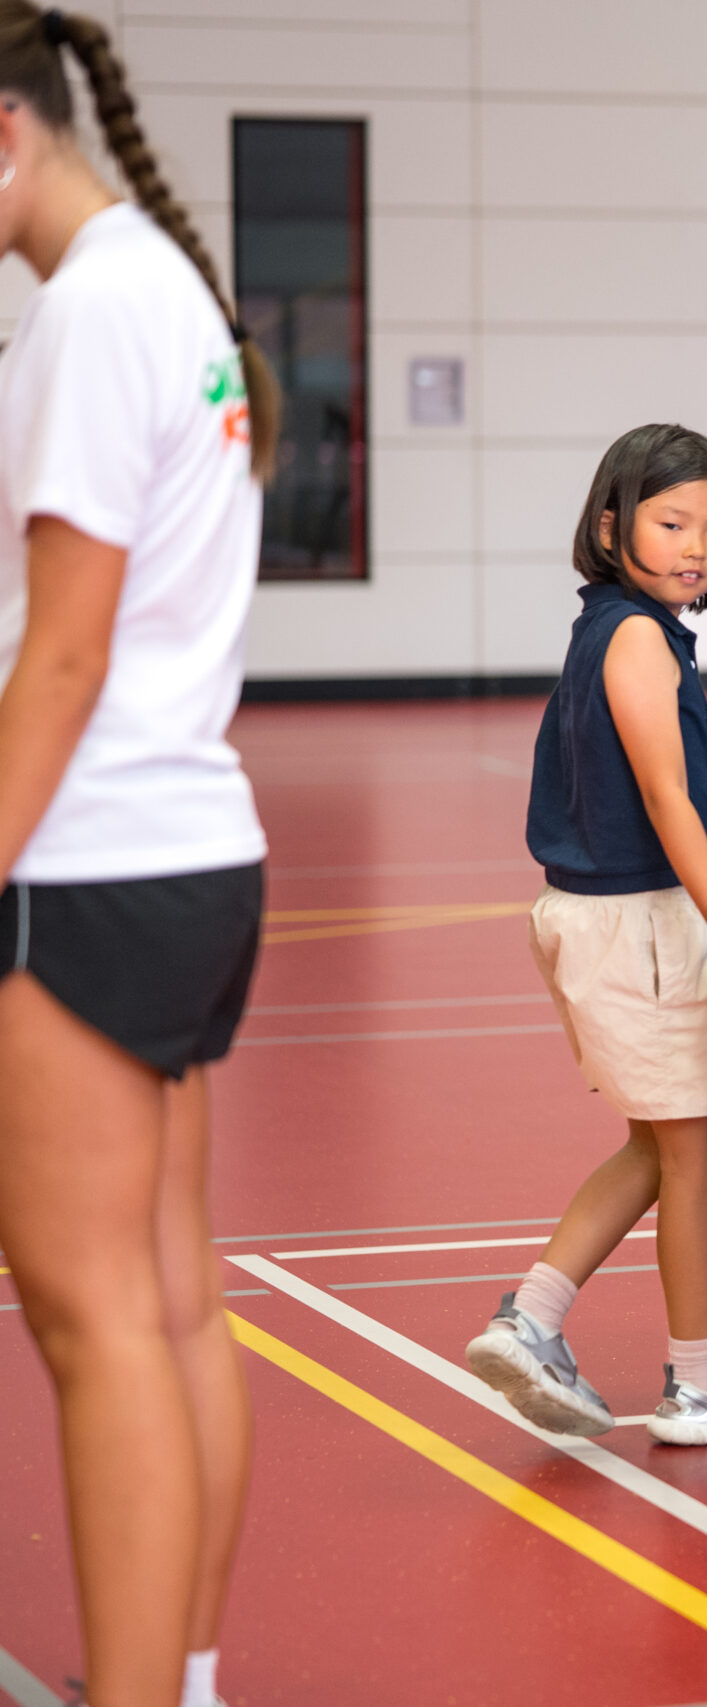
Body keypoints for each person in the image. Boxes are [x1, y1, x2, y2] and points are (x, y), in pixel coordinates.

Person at [0, 10, 276, 1705]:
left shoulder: (97, 305)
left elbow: (64, 653)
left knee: (93, 1317)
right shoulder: (158, 288)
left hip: (88, 861)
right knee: (166, 1304)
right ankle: (180, 1678)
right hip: (186, 849)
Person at [464, 425, 707, 1448]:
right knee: (695, 1151)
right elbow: (667, 798)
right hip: (641, 922)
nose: (697, 547)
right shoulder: (635, 638)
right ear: (612, 524)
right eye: (672, 524)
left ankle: (533, 1318)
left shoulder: (610, 625)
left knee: (663, 1144)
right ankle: (699, 1389)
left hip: (599, 918)